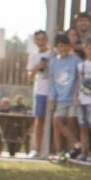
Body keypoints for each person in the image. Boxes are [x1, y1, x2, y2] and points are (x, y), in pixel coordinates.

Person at [47, 33, 80, 156]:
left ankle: (72, 151)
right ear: (56, 47)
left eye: (65, 46)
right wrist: (52, 98)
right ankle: (71, 145)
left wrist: (77, 95)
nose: (63, 49)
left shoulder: (76, 60)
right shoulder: (54, 62)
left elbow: (79, 79)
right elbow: (53, 82)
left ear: (69, 46)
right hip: (60, 98)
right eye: (60, 46)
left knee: (72, 123)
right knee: (57, 122)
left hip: (73, 97)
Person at [27, 29, 51, 158]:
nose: (41, 42)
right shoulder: (33, 55)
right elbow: (30, 77)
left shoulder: (52, 53)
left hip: (53, 91)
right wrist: (38, 67)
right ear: (35, 41)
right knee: (39, 120)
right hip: (40, 91)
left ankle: (53, 150)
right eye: (38, 39)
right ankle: (36, 149)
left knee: (55, 120)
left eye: (43, 39)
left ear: (47, 39)